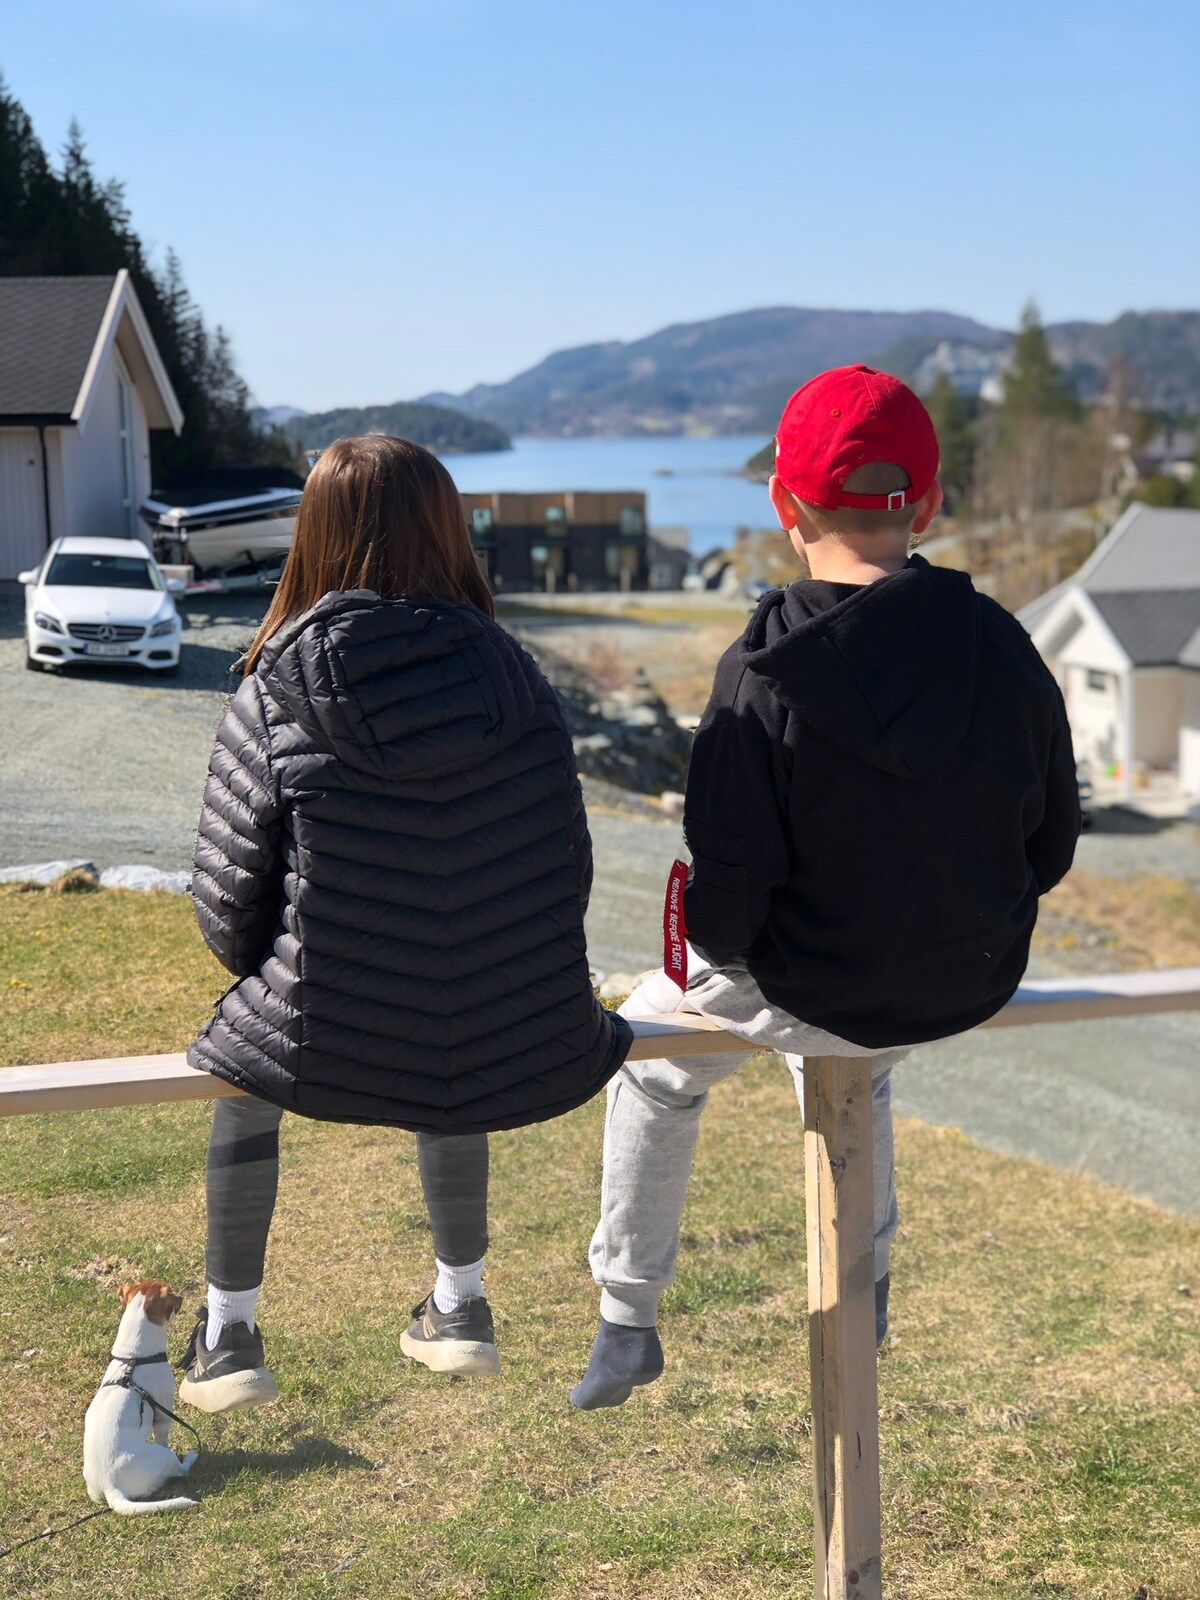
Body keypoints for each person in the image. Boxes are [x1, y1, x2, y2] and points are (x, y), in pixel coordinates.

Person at [571, 364, 1080, 1410]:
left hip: (809, 985)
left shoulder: (763, 669)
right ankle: (872, 1283)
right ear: (930, 506)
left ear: (782, 503)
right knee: (862, 1058)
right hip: (959, 977)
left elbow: (727, 895)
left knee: (652, 1068)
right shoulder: (1002, 643)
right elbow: (1052, 842)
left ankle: (627, 1316)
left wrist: (709, 950)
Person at [177, 435, 630, 1413]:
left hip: (329, 1026)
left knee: (243, 1064)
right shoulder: (518, 680)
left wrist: (305, 965)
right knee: (447, 1028)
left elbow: (226, 907)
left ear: (316, 535)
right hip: (514, 1030)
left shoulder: (275, 687)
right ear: (446, 528)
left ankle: (228, 1332)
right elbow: (568, 875)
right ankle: (461, 1302)